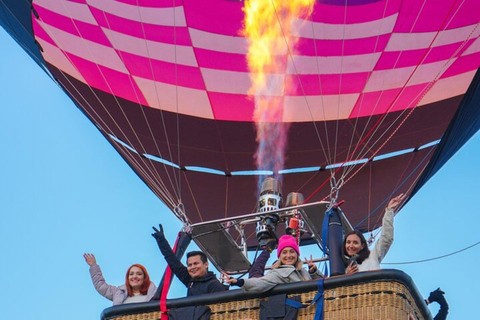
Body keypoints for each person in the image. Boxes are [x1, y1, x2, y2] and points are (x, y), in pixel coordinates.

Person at [221, 235, 323, 293]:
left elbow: (325, 285)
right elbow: (259, 283)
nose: (288, 255)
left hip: (311, 311)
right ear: (279, 257)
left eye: (292, 251)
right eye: (284, 252)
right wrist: (239, 282)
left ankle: (269, 248)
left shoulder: (304, 271)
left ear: (297, 255)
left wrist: (314, 272)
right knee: (255, 271)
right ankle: (268, 248)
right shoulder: (278, 273)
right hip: (294, 312)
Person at [151, 224, 227, 296]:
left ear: (206, 264)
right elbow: (173, 262)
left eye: (196, 263)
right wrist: (161, 241)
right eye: (189, 265)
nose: (193, 267)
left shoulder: (214, 285)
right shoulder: (190, 280)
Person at [343, 193, 406, 275]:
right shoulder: (341, 266)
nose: (351, 246)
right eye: (348, 242)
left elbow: (386, 238)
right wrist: (346, 276)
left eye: (355, 242)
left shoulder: (372, 256)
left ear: (362, 246)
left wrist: (389, 211)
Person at [83, 253, 157, 305]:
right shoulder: (118, 292)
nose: (135, 276)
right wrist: (93, 266)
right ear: (127, 278)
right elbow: (101, 286)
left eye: (139, 274)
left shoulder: (154, 294)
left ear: (144, 278)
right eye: (131, 274)